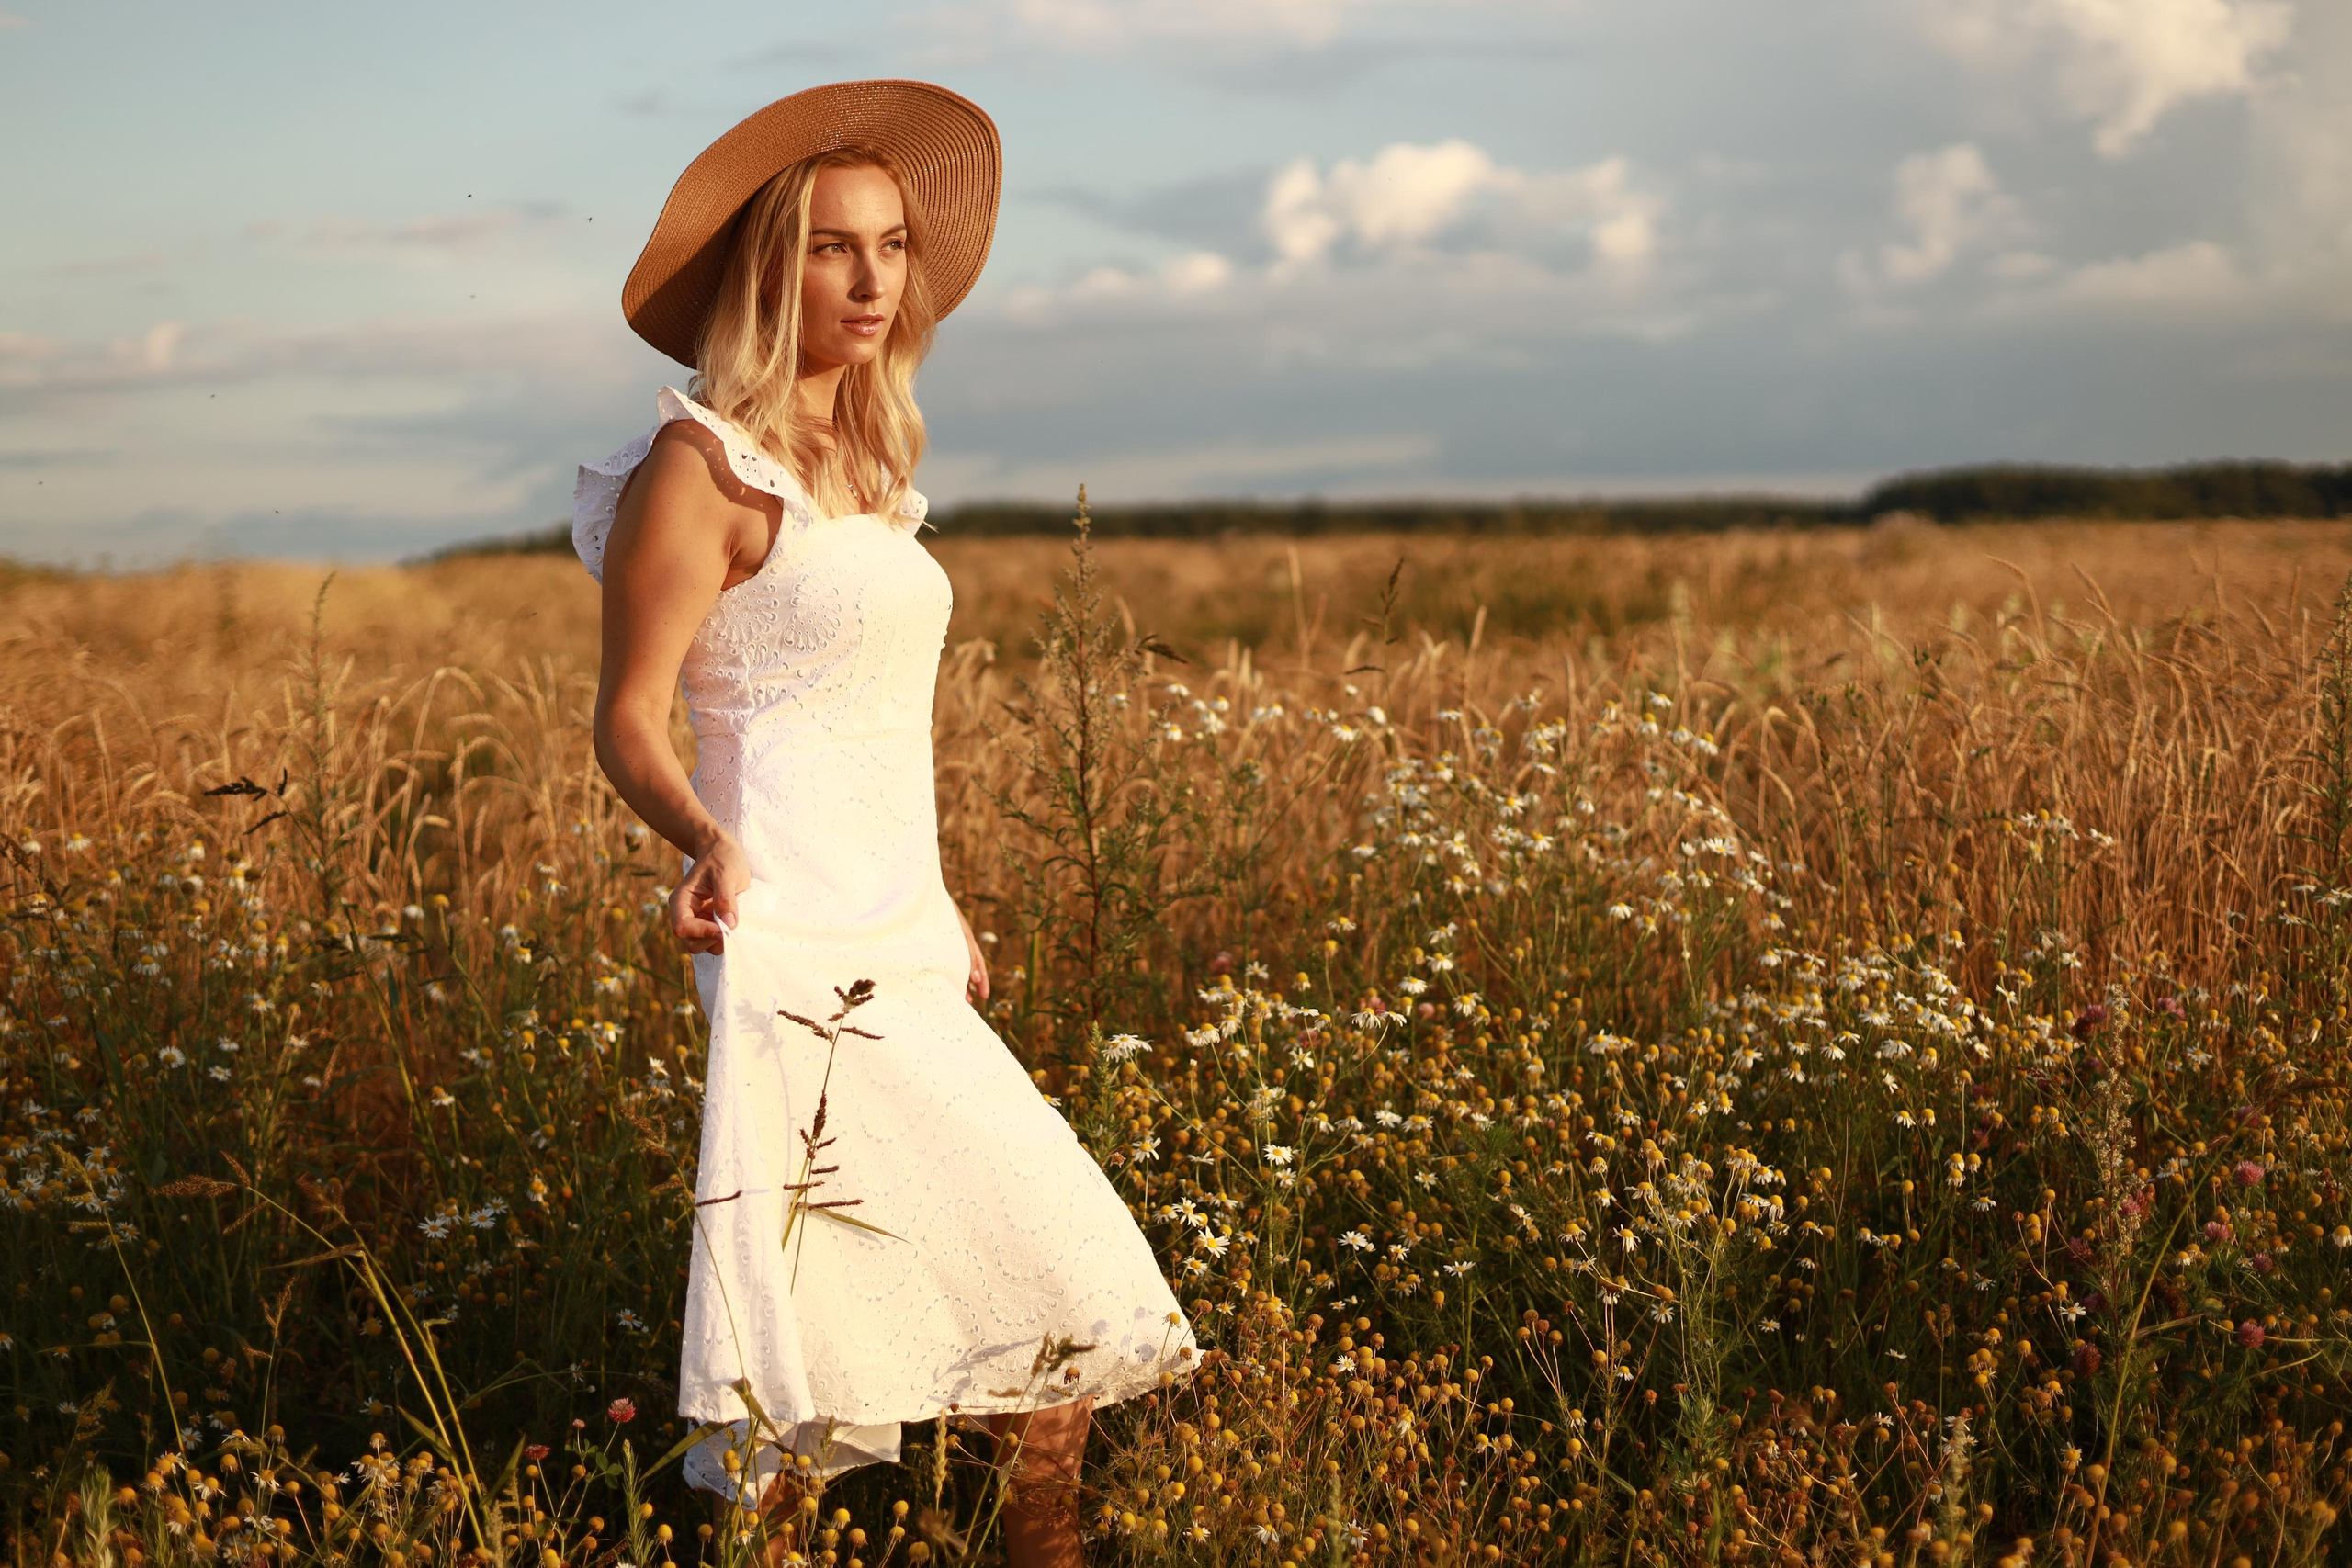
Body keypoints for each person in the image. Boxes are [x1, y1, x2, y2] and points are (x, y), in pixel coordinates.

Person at [570, 80, 1196, 1568]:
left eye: (893, 247)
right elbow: (630, 719)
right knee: (815, 1359)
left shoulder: (874, 470)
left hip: (901, 936)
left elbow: (871, 728)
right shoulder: (700, 468)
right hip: (786, 941)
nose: (870, 280)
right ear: (768, 272)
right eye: (833, 248)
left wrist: (943, 900)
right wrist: (700, 841)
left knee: (1048, 1317)